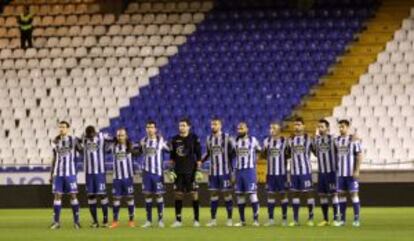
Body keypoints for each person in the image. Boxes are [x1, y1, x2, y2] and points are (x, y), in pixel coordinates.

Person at [168, 118, 203, 228]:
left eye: (183, 125)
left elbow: (199, 157)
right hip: (178, 171)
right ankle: (178, 220)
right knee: (178, 195)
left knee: (194, 194)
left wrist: (198, 171)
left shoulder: (194, 138)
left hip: (191, 171)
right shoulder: (174, 139)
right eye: (180, 125)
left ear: (188, 126)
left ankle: (196, 220)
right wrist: (171, 170)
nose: (181, 127)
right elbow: (172, 158)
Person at [49, 121, 82, 229]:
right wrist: (51, 173)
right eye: (60, 127)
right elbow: (54, 159)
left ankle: (76, 222)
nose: (61, 129)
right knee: (57, 196)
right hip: (58, 174)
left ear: (68, 129)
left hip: (70, 174)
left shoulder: (73, 140)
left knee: (73, 195)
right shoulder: (55, 141)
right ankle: (56, 222)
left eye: (63, 127)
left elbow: (81, 150)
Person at [203, 118, 235, 227]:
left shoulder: (227, 138)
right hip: (213, 172)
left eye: (215, 124)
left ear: (220, 125)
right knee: (213, 194)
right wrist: (199, 161)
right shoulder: (208, 139)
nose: (213, 126)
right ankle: (213, 220)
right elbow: (207, 153)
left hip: (225, 171)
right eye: (212, 124)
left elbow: (233, 153)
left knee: (227, 194)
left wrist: (233, 170)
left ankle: (230, 219)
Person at [138, 120, 170, 228]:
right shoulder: (143, 141)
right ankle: (148, 220)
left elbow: (169, 150)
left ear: (155, 129)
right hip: (146, 173)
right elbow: (141, 154)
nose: (150, 129)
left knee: (159, 195)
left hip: (158, 173)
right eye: (148, 127)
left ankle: (160, 220)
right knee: (147, 195)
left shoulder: (160, 140)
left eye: (152, 127)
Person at [80, 126, 112, 228]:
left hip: (100, 172)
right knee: (91, 196)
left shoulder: (102, 136)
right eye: (88, 135)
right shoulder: (83, 138)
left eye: (91, 135)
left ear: (94, 132)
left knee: (102, 195)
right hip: (88, 173)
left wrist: (108, 147)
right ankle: (95, 221)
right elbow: (77, 144)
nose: (90, 137)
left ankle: (105, 220)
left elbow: (113, 139)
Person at [286, 117, 315, 227]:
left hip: (305, 171)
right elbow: (287, 154)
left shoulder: (309, 139)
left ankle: (311, 218)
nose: (296, 126)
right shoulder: (290, 140)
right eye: (295, 125)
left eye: (298, 124)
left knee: (309, 193)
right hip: (294, 172)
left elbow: (317, 151)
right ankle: (295, 219)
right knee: (295, 194)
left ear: (303, 126)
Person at [333, 119, 362, 227]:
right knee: (341, 195)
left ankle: (356, 219)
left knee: (354, 194)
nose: (341, 129)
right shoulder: (337, 140)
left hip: (351, 174)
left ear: (348, 127)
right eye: (340, 127)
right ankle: (343, 220)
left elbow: (359, 155)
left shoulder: (353, 140)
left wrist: (357, 170)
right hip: (340, 174)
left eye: (343, 126)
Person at [232, 122, 261, 227]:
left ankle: (256, 220)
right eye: (238, 128)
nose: (239, 130)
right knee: (240, 195)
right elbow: (233, 155)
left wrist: (254, 163)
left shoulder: (253, 140)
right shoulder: (235, 141)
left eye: (242, 128)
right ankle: (242, 221)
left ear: (247, 129)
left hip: (249, 171)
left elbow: (259, 151)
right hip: (239, 171)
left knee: (252, 195)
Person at [108, 128, 138, 229]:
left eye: (122, 135)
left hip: (128, 177)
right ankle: (115, 221)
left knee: (130, 198)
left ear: (126, 136)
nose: (120, 137)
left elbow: (139, 151)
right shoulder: (113, 146)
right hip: (117, 177)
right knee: (116, 199)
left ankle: (131, 220)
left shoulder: (130, 146)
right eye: (119, 135)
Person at [312, 119, 339, 226]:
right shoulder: (317, 140)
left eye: (322, 127)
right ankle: (325, 219)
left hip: (332, 172)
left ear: (327, 128)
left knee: (334, 194)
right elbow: (316, 153)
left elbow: (340, 151)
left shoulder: (333, 139)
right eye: (319, 127)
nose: (320, 129)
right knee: (322, 195)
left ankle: (336, 218)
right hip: (321, 172)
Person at [262, 122, 289, 226]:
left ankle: (284, 219)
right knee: (271, 195)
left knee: (283, 195)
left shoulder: (285, 141)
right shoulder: (266, 141)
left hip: (281, 173)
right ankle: (271, 219)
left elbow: (288, 154)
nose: (271, 130)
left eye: (274, 128)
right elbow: (263, 155)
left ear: (279, 130)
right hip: (270, 174)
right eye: (270, 128)